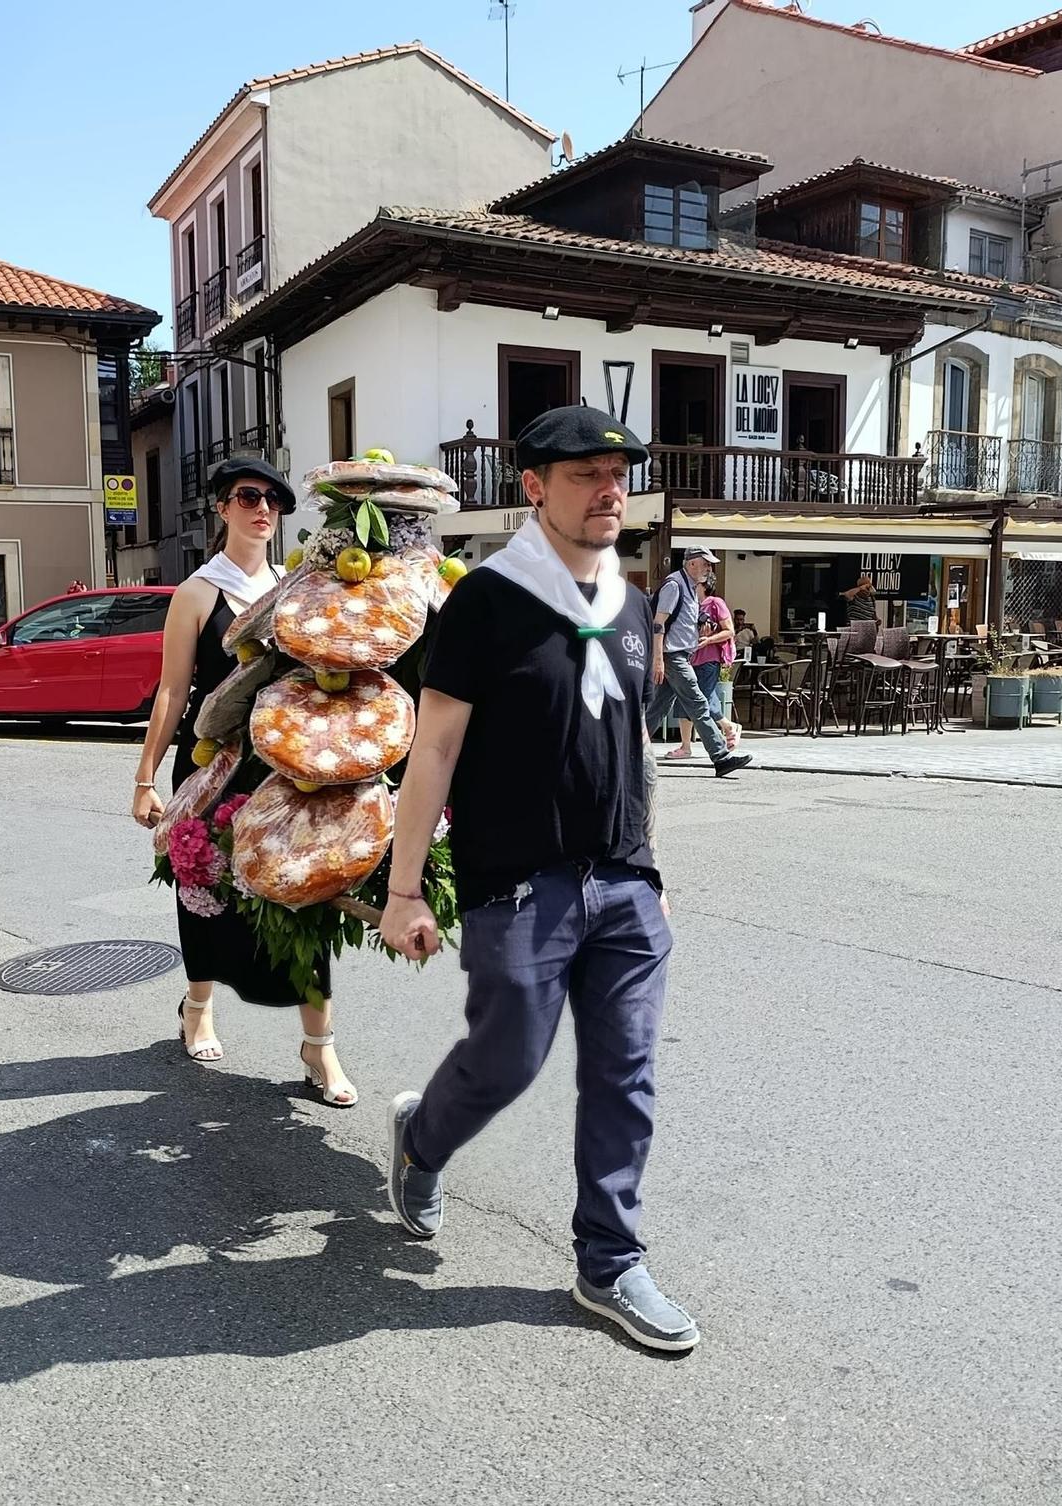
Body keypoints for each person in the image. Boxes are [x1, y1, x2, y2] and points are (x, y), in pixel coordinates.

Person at [378, 404, 701, 1352]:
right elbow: (434, 751)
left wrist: (649, 864)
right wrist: (403, 891)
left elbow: (633, 747)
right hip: (520, 885)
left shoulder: (632, 607)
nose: (609, 491)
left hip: (624, 887)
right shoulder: (486, 601)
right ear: (534, 487)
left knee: (625, 1074)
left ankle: (609, 1262)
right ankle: (422, 1141)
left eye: (618, 475)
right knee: (509, 1058)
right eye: (584, 475)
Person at [130, 457, 357, 1106]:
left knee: (308, 899)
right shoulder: (197, 593)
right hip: (211, 764)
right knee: (205, 892)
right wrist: (145, 778)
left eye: (273, 501)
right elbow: (173, 690)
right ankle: (198, 1006)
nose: (262, 509)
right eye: (248, 497)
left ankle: (319, 1046)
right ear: (222, 508)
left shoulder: (298, 586)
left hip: (286, 768)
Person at [643, 547, 752, 777]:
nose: (709, 568)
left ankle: (628, 751)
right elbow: (658, 623)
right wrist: (658, 659)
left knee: (657, 709)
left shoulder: (690, 587)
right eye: (706, 563)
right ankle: (721, 757)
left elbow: (679, 619)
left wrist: (700, 623)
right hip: (674, 657)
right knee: (699, 704)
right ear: (691, 563)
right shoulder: (675, 585)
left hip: (679, 656)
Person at [670, 579, 739, 759]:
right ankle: (686, 746)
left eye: (696, 583)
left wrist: (708, 640)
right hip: (689, 659)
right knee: (685, 699)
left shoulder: (715, 603)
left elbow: (729, 631)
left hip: (709, 660)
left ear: (704, 585)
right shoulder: (691, 605)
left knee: (700, 699)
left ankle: (727, 727)